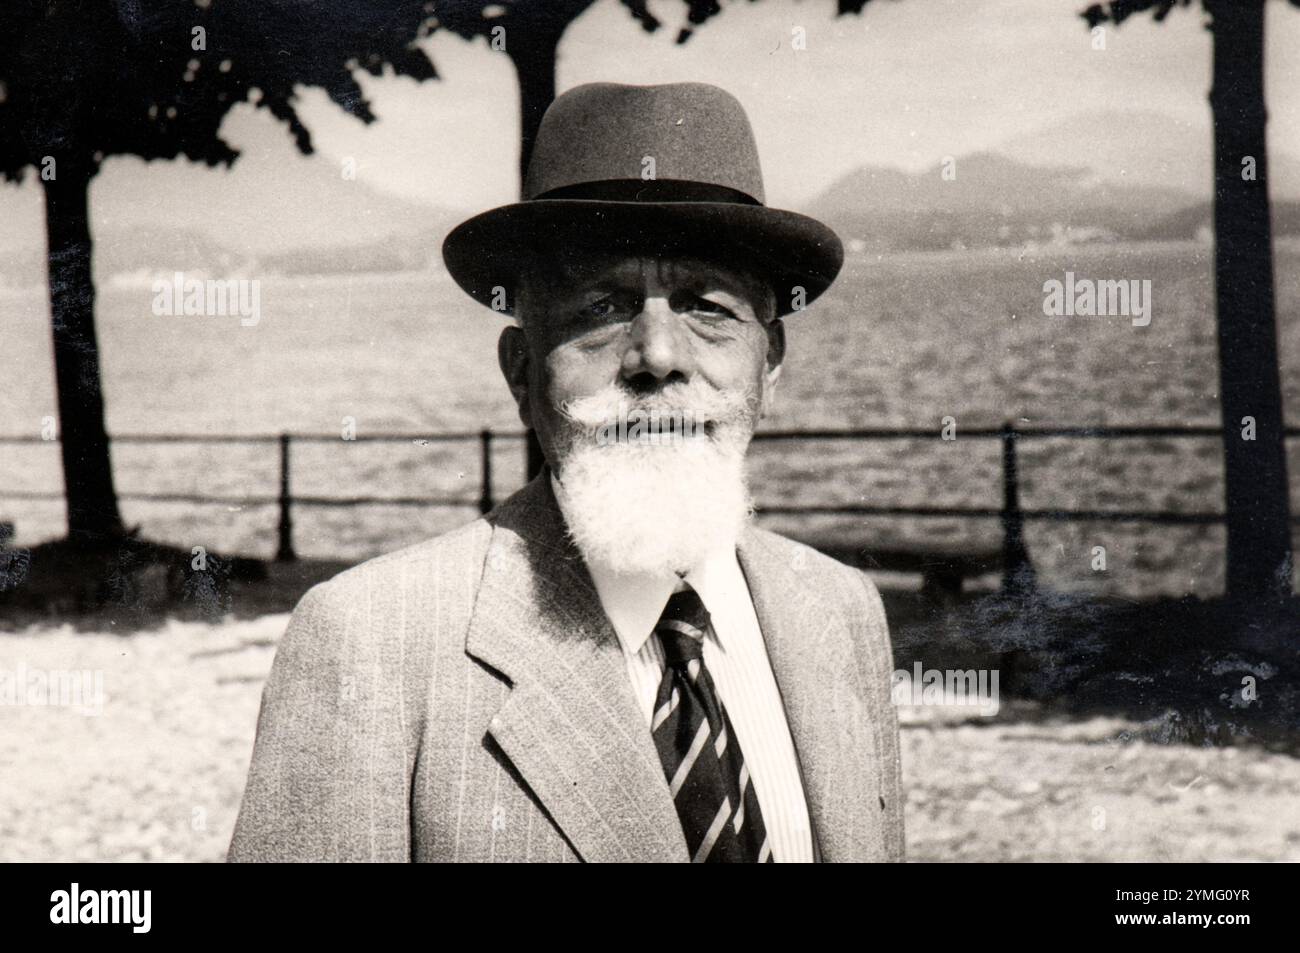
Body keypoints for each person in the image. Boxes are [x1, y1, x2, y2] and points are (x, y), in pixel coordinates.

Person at [228, 81, 903, 863]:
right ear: (522, 372)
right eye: (601, 309)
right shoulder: (373, 643)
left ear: (770, 364)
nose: (657, 356)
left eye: (706, 307)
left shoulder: (842, 613)